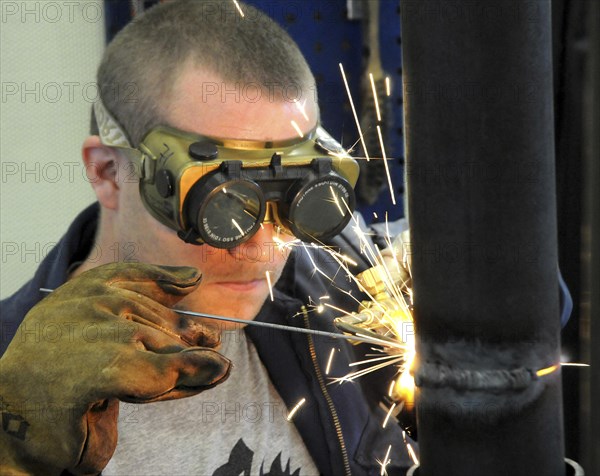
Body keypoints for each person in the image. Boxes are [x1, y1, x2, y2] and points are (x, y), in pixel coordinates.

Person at [0, 1, 412, 474]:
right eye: (225, 205)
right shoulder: (13, 384)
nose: (264, 247)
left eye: (296, 197)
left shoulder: (351, 301)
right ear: (110, 172)